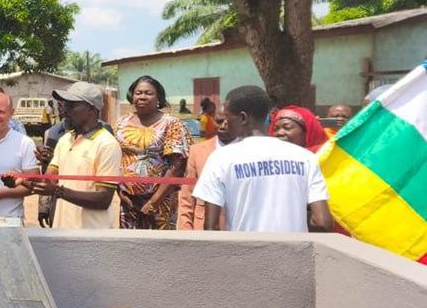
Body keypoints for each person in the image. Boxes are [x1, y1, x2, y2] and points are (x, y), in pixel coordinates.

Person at [194, 86, 333, 233]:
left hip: (242, 253)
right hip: (294, 253)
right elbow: (322, 222)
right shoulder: (306, 158)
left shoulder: (220, 158)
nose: (225, 124)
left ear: (243, 118)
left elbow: (211, 227)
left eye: (227, 118)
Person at [24, 81, 122, 229]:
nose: (65, 111)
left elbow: (104, 199)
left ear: (91, 108)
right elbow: (49, 180)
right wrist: (19, 179)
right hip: (62, 231)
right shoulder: (65, 140)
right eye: (65, 105)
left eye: (71, 105)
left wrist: (58, 191)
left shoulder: (107, 144)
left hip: (92, 235)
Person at [115, 75, 190, 229]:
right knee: (129, 247)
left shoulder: (171, 123)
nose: (142, 96)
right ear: (131, 96)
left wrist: (153, 203)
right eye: (138, 93)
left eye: (148, 93)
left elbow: (178, 165)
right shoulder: (122, 122)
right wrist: (120, 191)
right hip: (128, 202)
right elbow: (114, 158)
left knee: (159, 248)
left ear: (158, 98)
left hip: (160, 202)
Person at [177, 108, 236, 230]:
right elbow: (187, 196)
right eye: (219, 121)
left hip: (238, 229)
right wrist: (185, 232)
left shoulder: (250, 152)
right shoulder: (197, 151)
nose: (223, 126)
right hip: (203, 228)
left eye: (228, 121)